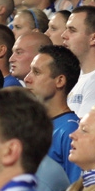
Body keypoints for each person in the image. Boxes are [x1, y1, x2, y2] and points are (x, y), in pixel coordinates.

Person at [25, 45, 82, 183]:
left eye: (36, 72)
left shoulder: (70, 130)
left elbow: (75, 188)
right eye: (30, 71)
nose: (27, 79)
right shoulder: (32, 125)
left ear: (60, 81)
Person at [63, 6, 95, 118]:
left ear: (94, 38)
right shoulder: (80, 74)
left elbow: (88, 126)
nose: (64, 35)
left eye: (72, 30)